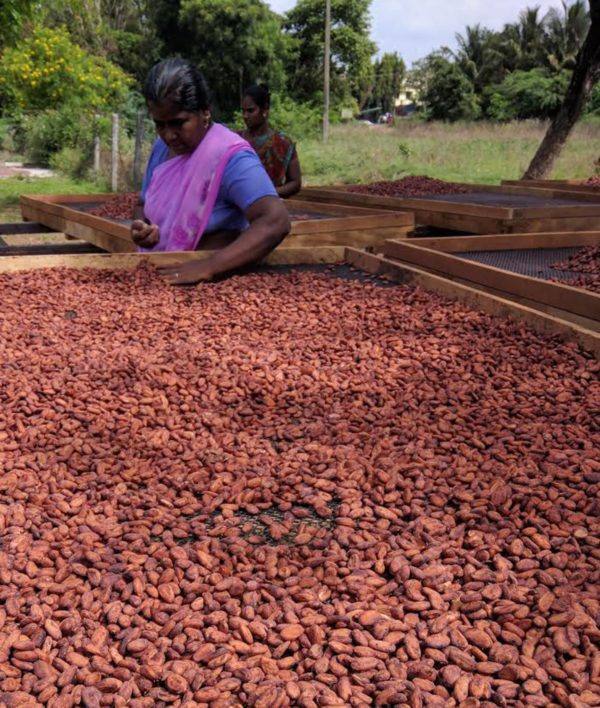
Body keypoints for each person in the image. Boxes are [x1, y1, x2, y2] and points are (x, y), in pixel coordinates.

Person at [131, 59, 290, 285]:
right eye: (160, 125)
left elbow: (275, 221)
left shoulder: (229, 156)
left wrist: (209, 266)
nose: (169, 135)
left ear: (205, 112)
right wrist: (142, 229)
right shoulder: (160, 149)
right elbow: (142, 204)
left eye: (178, 123)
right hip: (160, 277)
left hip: (212, 286)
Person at [240, 84, 302, 198]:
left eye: (250, 111)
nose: (245, 116)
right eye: (243, 111)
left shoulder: (283, 143)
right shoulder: (235, 139)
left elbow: (295, 183)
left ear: (265, 109)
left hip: (269, 206)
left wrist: (269, 193)